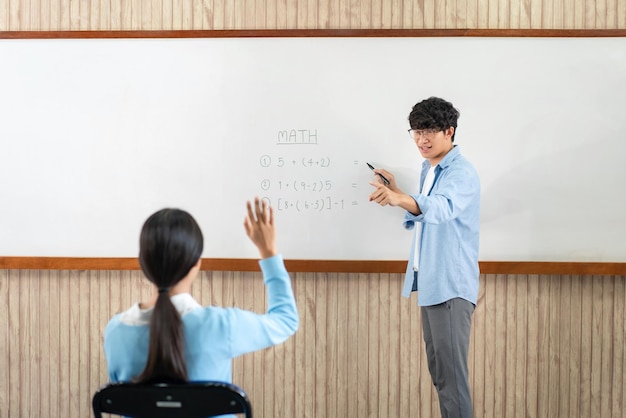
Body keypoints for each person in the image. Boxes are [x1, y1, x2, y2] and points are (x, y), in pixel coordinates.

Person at [104, 197, 299, 386]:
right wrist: (268, 251)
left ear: (143, 262)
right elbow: (286, 320)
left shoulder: (115, 333)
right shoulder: (221, 326)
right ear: (196, 263)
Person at [369, 97, 480, 418]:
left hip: (450, 285)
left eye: (430, 131)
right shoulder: (429, 169)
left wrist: (400, 198)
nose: (422, 140)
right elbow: (425, 212)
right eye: (417, 132)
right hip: (432, 282)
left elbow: (442, 209)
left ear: (450, 131)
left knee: (452, 381)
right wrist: (398, 192)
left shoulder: (460, 172)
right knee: (442, 376)